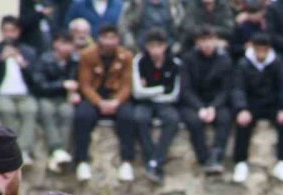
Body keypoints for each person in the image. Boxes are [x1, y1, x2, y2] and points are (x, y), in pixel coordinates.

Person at [73, 24, 136, 182]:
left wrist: (116, 102)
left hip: (116, 97)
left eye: (112, 38)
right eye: (105, 38)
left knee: (128, 117)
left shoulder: (126, 56)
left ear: (118, 39)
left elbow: (127, 85)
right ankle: (82, 161)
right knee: (82, 116)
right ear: (99, 39)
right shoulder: (87, 55)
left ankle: (127, 162)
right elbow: (85, 85)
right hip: (94, 97)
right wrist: (99, 102)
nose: (109, 42)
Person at [231, 33, 283, 183]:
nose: (261, 53)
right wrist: (241, 108)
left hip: (272, 105)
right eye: (258, 49)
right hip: (250, 105)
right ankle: (240, 162)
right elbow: (238, 89)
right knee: (242, 124)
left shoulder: (278, 64)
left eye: (264, 50)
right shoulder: (243, 65)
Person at [0, 16, 40, 165]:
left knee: (30, 109)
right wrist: (0, 60)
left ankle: (22, 151)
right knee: (7, 110)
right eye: (6, 31)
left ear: (18, 32)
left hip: (24, 94)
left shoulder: (28, 51)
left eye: (12, 31)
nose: (9, 34)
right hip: (1, 94)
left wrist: (23, 64)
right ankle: (15, 152)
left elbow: (36, 79)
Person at [180, 26, 233, 174]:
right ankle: (203, 158)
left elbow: (225, 90)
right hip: (193, 103)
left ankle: (217, 156)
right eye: (203, 40)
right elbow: (186, 89)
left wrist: (213, 107)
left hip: (215, 102)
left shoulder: (224, 60)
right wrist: (199, 107)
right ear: (197, 42)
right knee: (194, 121)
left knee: (225, 118)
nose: (207, 44)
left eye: (210, 40)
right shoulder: (188, 59)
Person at [132, 29, 182, 184]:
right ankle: (151, 160)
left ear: (165, 46)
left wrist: (149, 91)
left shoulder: (174, 63)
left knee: (172, 119)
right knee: (140, 118)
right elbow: (137, 92)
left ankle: (156, 161)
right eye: (151, 46)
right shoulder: (139, 61)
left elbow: (174, 94)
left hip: (165, 103)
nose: (155, 50)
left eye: (158, 46)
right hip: (144, 103)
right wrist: (161, 88)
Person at [32, 32, 80, 172]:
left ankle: (60, 153)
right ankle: (57, 149)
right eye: (63, 43)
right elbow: (39, 85)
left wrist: (77, 94)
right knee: (47, 111)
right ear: (56, 44)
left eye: (69, 44)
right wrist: (62, 85)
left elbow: (79, 81)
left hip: (64, 98)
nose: (67, 47)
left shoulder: (75, 61)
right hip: (46, 96)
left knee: (67, 112)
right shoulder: (44, 60)